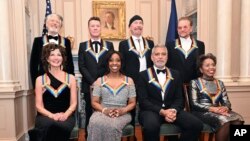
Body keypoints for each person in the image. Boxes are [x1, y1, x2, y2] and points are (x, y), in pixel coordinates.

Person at [137, 44, 203, 141]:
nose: (160, 57)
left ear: (167, 57)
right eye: (157, 54)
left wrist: (173, 111)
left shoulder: (176, 74)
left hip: (172, 110)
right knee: (151, 126)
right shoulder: (143, 75)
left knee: (196, 124)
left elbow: (179, 98)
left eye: (163, 54)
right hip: (151, 111)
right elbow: (143, 101)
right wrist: (163, 112)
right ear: (152, 57)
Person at [189, 53, 244, 141]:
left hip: (218, 111)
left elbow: (227, 102)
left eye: (213, 65)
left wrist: (225, 108)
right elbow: (194, 104)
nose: (211, 67)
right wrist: (213, 109)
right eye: (207, 65)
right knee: (223, 120)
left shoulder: (220, 83)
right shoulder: (194, 82)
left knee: (239, 119)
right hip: (200, 112)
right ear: (201, 69)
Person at [29, 43, 77, 141]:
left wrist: (65, 114)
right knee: (48, 125)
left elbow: (74, 103)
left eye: (59, 55)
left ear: (63, 58)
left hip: (66, 116)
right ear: (47, 58)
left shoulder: (71, 78)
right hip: (45, 116)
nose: (56, 58)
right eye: (52, 55)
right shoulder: (40, 80)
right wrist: (52, 115)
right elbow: (39, 106)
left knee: (60, 127)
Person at [87, 51, 136, 141]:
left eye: (118, 60)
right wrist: (105, 110)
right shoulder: (100, 80)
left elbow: (132, 103)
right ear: (107, 63)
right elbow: (94, 102)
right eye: (111, 60)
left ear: (121, 63)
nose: (114, 63)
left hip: (122, 113)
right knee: (94, 122)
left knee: (112, 126)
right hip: (102, 111)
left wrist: (123, 110)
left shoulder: (129, 81)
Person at [78, 16, 114, 132]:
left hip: (106, 85)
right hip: (89, 86)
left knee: (105, 112)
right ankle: (90, 136)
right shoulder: (83, 46)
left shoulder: (109, 45)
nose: (95, 28)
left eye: (97, 26)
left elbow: (111, 64)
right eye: (92, 26)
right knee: (89, 112)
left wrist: (101, 81)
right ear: (88, 28)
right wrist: (93, 82)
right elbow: (81, 66)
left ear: (100, 28)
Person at [30, 13, 74, 88]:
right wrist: (36, 86)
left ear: (60, 26)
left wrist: (71, 83)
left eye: (57, 22)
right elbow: (33, 65)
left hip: (63, 82)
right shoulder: (38, 41)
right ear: (46, 24)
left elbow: (70, 63)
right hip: (44, 83)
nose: (54, 23)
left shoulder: (66, 41)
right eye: (52, 21)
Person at [166, 17, 205, 84]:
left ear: (191, 29)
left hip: (195, 85)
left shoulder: (200, 45)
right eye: (179, 28)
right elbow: (167, 66)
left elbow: (201, 66)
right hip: (175, 85)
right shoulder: (170, 45)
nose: (182, 30)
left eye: (185, 27)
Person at [119, 15, 154, 84]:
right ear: (130, 27)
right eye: (135, 23)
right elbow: (122, 64)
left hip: (148, 80)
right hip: (130, 81)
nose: (138, 25)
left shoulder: (150, 43)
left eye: (140, 23)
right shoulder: (124, 44)